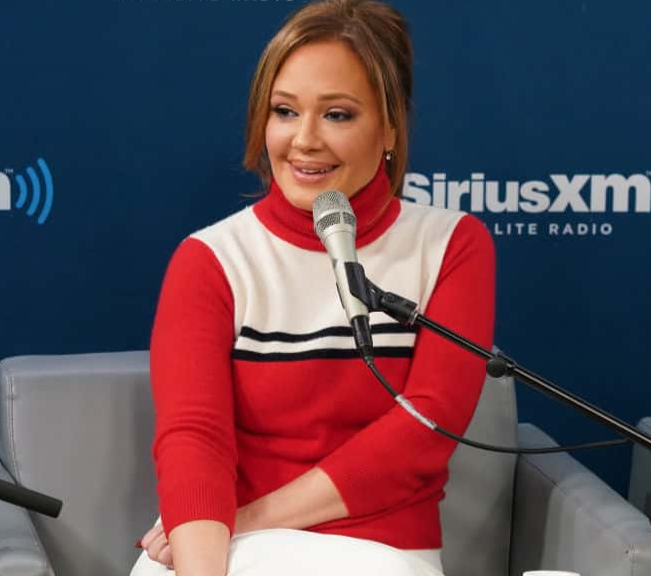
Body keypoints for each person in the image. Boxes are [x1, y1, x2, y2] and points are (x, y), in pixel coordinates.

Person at [132, 1, 495, 574]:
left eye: (338, 115)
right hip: (216, 545)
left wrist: (247, 518)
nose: (304, 140)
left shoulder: (452, 244)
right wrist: (211, 551)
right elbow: (193, 440)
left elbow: (425, 429)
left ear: (390, 126)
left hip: (378, 550)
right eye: (284, 111)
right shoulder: (209, 259)